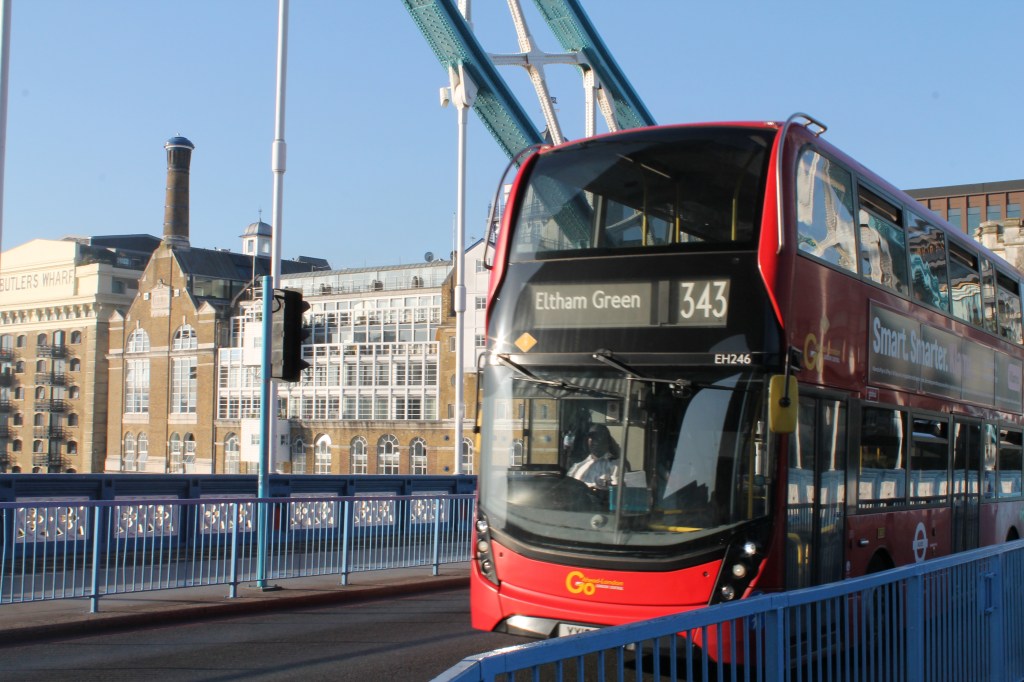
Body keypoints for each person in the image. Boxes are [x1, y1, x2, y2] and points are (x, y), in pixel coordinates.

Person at [567, 424, 623, 490]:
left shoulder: (615, 464)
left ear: (606, 441)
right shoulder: (579, 464)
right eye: (591, 438)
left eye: (597, 438)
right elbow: (568, 485)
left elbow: (617, 490)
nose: (592, 441)